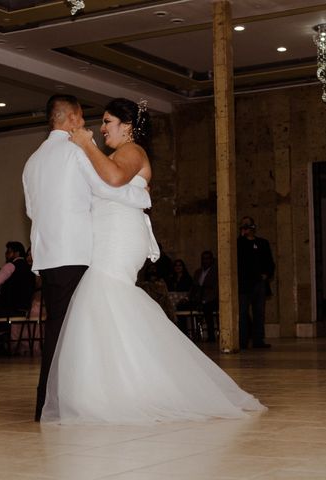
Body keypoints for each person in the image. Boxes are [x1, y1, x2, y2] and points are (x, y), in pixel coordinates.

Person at [41, 97, 265, 424]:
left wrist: (87, 145)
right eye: (101, 123)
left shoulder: (133, 152)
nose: (101, 128)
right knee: (103, 302)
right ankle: (116, 388)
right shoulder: (115, 154)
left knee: (102, 294)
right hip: (108, 234)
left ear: (127, 126)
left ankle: (127, 389)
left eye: (107, 122)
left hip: (119, 236)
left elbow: (115, 179)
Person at [23, 94, 153, 422]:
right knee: (75, 332)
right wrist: (141, 193)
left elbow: (31, 209)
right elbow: (107, 187)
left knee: (62, 328)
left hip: (48, 254)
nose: (88, 127)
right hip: (77, 251)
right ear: (71, 119)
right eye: (82, 119)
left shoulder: (32, 161)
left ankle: (51, 402)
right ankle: (65, 401)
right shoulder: (75, 152)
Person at [237, 216, 275, 349]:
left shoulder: (263, 243)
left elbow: (270, 262)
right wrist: (242, 238)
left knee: (259, 313)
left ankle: (258, 340)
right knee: (242, 314)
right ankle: (242, 341)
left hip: (259, 283)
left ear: (253, 226)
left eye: (248, 225)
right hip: (244, 284)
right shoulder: (239, 244)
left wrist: (267, 274)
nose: (246, 227)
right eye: (243, 225)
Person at [190, 250, 219, 342]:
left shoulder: (216, 271)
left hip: (212, 299)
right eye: (203, 259)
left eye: (208, 258)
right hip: (199, 297)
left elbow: (216, 289)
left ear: (212, 259)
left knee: (207, 308)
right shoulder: (198, 272)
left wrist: (206, 300)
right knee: (182, 306)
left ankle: (211, 336)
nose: (205, 261)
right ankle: (185, 335)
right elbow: (194, 286)